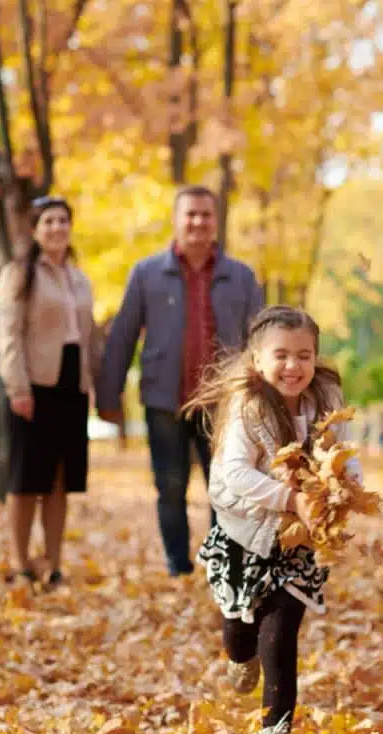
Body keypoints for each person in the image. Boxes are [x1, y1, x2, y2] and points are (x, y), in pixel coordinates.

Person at [184, 306, 362, 734]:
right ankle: (238, 657)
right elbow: (234, 474)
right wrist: (289, 498)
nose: (293, 366)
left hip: (295, 542)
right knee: (242, 635)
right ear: (258, 360)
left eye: (304, 355)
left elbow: (343, 453)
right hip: (245, 534)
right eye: (281, 355)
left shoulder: (325, 398)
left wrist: (347, 487)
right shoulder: (248, 405)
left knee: (281, 634)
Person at [96, 186, 263, 576]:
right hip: (163, 400)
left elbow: (261, 338)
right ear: (176, 219)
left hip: (223, 406)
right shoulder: (147, 273)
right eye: (191, 214)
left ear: (215, 221)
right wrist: (109, 394)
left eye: (206, 214)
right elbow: (123, 334)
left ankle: (220, 566)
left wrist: (264, 397)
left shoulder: (240, 277)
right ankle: (177, 565)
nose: (198, 222)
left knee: (225, 490)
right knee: (170, 488)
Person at [0, 195, 100, 590]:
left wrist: (89, 384)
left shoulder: (79, 278)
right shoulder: (19, 274)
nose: (57, 228)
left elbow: (87, 338)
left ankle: (53, 565)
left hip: (71, 385)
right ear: (35, 230)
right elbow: (8, 335)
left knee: (60, 480)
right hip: (33, 385)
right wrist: (17, 387)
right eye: (49, 221)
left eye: (63, 221)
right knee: (25, 480)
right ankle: (21, 564)